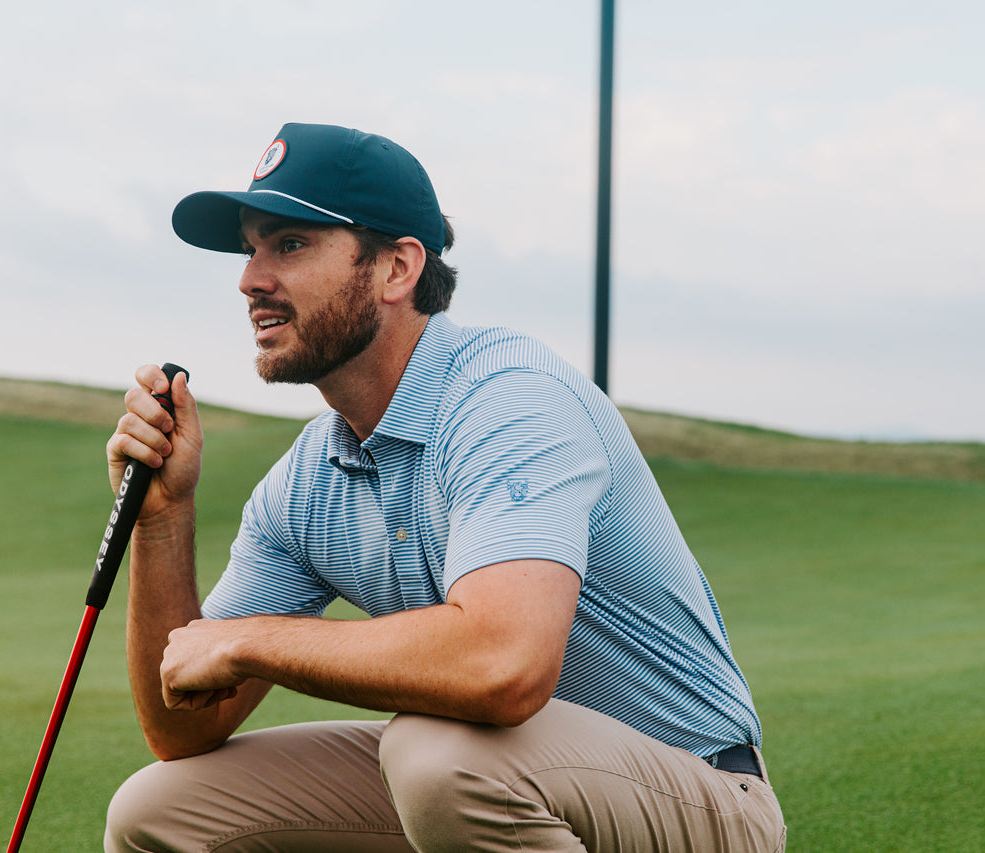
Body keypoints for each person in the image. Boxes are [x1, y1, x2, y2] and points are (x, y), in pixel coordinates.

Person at [103, 122, 786, 852]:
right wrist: (161, 520)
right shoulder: (306, 478)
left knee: (438, 752)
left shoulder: (508, 397)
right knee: (160, 807)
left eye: (290, 244)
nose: (250, 279)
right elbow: (182, 725)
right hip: (510, 780)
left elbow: (503, 666)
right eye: (251, 249)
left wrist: (254, 640)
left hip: (702, 795)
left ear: (397, 268)